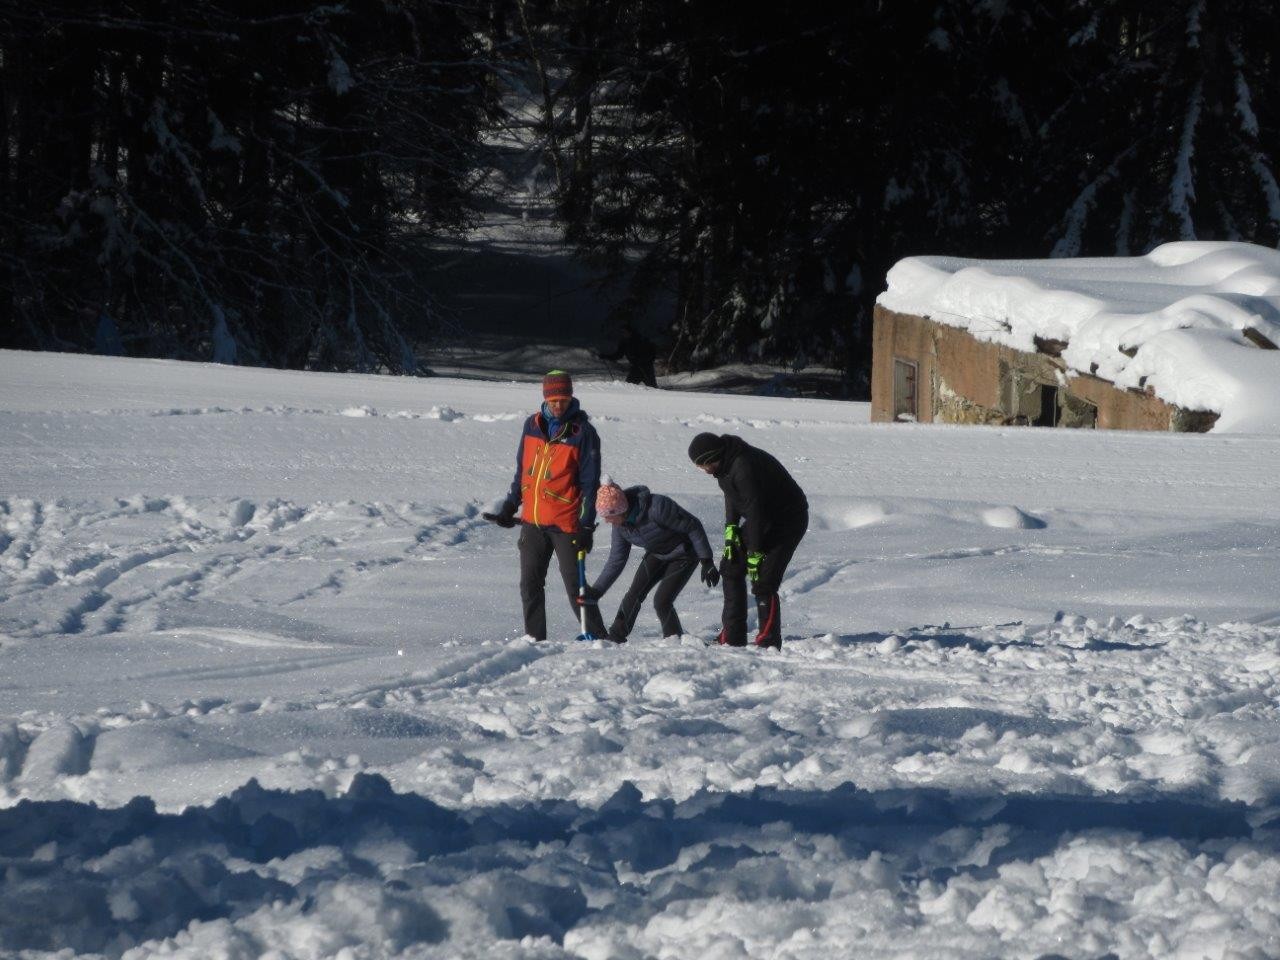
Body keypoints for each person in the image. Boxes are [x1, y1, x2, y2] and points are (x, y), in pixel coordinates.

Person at [484, 370, 607, 641]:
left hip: (566, 524)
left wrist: (586, 526)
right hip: (533, 522)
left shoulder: (583, 433)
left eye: (563, 400)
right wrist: (510, 505)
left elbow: (590, 484)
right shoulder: (532, 425)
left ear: (571, 398)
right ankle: (534, 640)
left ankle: (599, 638)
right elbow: (523, 472)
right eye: (554, 400)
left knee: (576, 586)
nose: (559, 405)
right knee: (529, 585)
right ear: (545, 399)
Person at [687, 432, 808, 650]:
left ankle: (768, 640)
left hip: (787, 519)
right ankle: (733, 636)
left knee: (764, 580)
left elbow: (755, 511)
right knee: (730, 568)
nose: (704, 471)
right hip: (762, 518)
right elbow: (732, 497)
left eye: (704, 465)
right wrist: (731, 530)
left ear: (713, 457)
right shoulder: (724, 468)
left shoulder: (743, 466)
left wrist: (754, 553)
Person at [586, 479, 718, 643]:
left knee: (662, 601)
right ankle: (616, 637)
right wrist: (597, 590)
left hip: (684, 553)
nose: (607, 521)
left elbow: (693, 526)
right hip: (657, 553)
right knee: (634, 593)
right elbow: (616, 560)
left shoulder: (657, 507)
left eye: (609, 516)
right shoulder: (620, 526)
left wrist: (707, 560)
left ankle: (674, 640)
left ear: (620, 510)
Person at [600, 321, 658, 388]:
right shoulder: (624, 343)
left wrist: (642, 360)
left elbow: (651, 353)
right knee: (628, 387)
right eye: (622, 332)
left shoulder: (640, 339)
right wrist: (606, 357)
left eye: (624, 332)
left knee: (653, 388)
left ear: (630, 331)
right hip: (635, 369)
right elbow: (618, 355)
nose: (623, 334)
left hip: (646, 368)